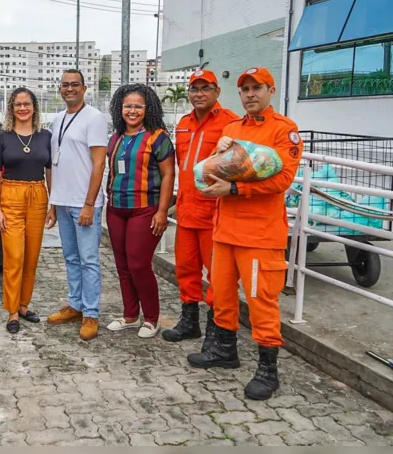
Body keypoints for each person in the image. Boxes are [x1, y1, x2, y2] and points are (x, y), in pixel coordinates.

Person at [187, 67, 302, 401]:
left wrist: (236, 188)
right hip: (225, 230)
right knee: (221, 294)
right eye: (245, 89)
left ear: (270, 90)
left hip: (260, 235)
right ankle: (224, 351)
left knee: (261, 302)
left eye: (257, 88)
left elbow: (282, 180)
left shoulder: (285, 130)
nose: (250, 94)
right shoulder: (232, 127)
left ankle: (268, 370)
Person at [161, 70, 237, 349]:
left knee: (217, 275)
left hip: (215, 213)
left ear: (217, 91)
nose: (199, 94)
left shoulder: (231, 124)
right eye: (194, 89)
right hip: (187, 210)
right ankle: (189, 321)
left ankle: (216, 330)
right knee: (186, 268)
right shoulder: (183, 123)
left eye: (205, 88)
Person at [104, 84, 175, 338]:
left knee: (138, 264)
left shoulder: (158, 137)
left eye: (138, 106)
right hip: (116, 209)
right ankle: (130, 315)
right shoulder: (116, 137)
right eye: (127, 106)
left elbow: (168, 176)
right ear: (119, 108)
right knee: (122, 265)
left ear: (148, 109)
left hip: (145, 210)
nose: (132, 111)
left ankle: (152, 318)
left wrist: (162, 212)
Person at [46, 69, 108, 341]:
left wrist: (89, 203)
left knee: (89, 260)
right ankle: (75, 305)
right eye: (65, 85)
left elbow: (99, 163)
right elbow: (54, 164)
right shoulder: (57, 119)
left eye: (75, 85)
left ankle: (91, 313)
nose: (69, 89)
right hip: (62, 201)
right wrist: (52, 202)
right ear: (60, 89)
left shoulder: (94, 118)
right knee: (70, 257)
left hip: (85, 204)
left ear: (84, 88)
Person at [0, 87, 52, 334]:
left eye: (27, 103)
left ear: (34, 107)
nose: (23, 108)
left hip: (38, 195)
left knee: (32, 256)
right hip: (10, 196)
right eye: (17, 104)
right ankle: (12, 310)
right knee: (14, 257)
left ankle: (24, 305)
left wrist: (53, 204)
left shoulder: (45, 136)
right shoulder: (2, 138)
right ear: (11, 108)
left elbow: (50, 170)